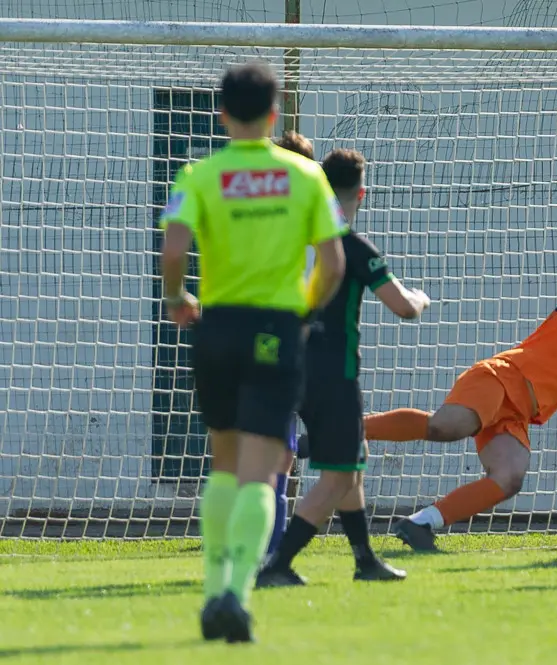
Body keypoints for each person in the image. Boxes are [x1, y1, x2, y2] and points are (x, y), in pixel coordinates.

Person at [365, 190, 557, 551]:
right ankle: (347, 430)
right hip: (499, 379)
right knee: (447, 427)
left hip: (515, 415)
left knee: (509, 478)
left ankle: (421, 524)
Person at [159, 63, 347, 642]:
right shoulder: (305, 175)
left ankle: (214, 587)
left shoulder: (199, 173)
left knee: (221, 465)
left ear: (221, 114)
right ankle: (236, 595)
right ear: (274, 114)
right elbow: (333, 265)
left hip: (216, 328)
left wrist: (176, 297)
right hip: (275, 327)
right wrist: (307, 312)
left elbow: (173, 246)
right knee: (261, 473)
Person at [258, 139, 430, 585]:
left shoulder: (295, 240)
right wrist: (421, 298)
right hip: (334, 374)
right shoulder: (352, 247)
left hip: (289, 366)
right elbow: (403, 307)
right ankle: (277, 565)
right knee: (336, 478)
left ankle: (364, 560)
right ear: (362, 192)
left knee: (352, 464)